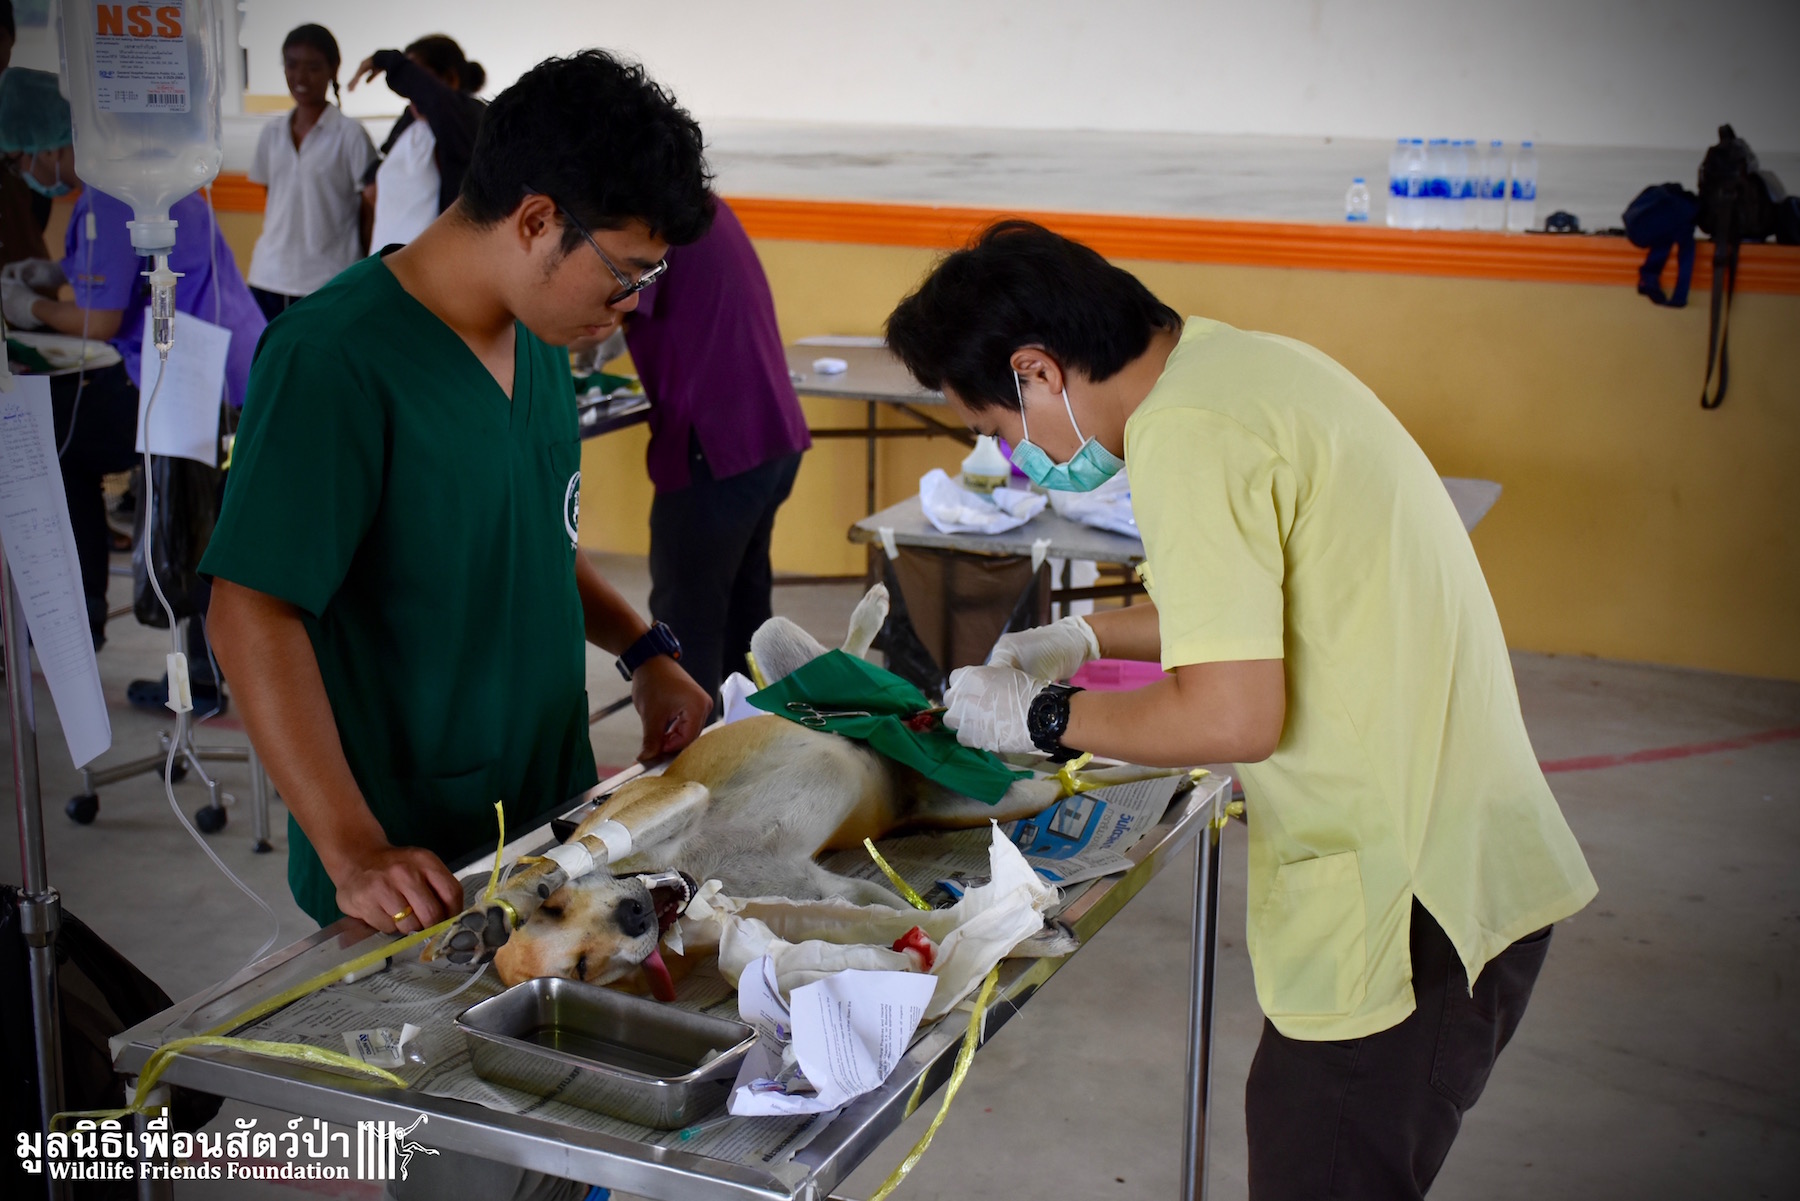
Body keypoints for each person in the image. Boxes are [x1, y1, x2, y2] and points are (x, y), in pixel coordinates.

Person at [885, 220, 1598, 1201]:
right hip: (1461, 854)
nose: (1015, 454)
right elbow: (1246, 603)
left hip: (1413, 897)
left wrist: (1041, 716)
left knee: (1321, 1155)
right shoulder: (1232, 370)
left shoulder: (1189, 436)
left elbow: (1232, 717)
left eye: (1001, 430)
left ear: (1039, 372)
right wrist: (1086, 637)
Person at [202, 49, 715, 944]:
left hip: (548, 821)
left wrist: (643, 651)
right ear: (537, 221)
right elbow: (251, 612)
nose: (631, 303)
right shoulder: (335, 358)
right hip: (414, 862)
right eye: (626, 271)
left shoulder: (540, 339)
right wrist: (355, 849)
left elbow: (530, 534)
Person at [0, 68, 266, 690]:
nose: (23, 171)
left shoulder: (111, 195)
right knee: (201, 517)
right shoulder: (149, 177)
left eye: (19, 158)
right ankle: (192, 664)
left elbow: (101, 319)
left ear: (51, 144)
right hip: (224, 363)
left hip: (193, 378)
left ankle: (90, 618)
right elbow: (101, 267)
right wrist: (51, 274)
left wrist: (29, 308)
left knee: (82, 458)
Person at [621, 195, 811, 710]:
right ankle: (749, 740)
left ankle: (698, 750)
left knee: (687, 625)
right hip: (767, 436)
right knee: (742, 619)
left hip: (718, 445)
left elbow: (605, 306)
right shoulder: (700, 206)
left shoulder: (648, 215)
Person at [245, 23, 377, 319]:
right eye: (292, 65)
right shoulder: (271, 133)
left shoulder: (350, 134)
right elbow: (274, 199)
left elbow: (368, 212)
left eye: (313, 67)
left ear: (333, 69)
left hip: (329, 280)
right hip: (268, 275)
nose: (301, 77)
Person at [350, 34, 485, 251]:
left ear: (450, 79)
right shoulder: (410, 122)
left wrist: (385, 60)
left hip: (437, 263)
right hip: (389, 262)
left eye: (415, 77)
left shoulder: (467, 122)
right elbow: (383, 160)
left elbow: (437, 101)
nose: (409, 91)